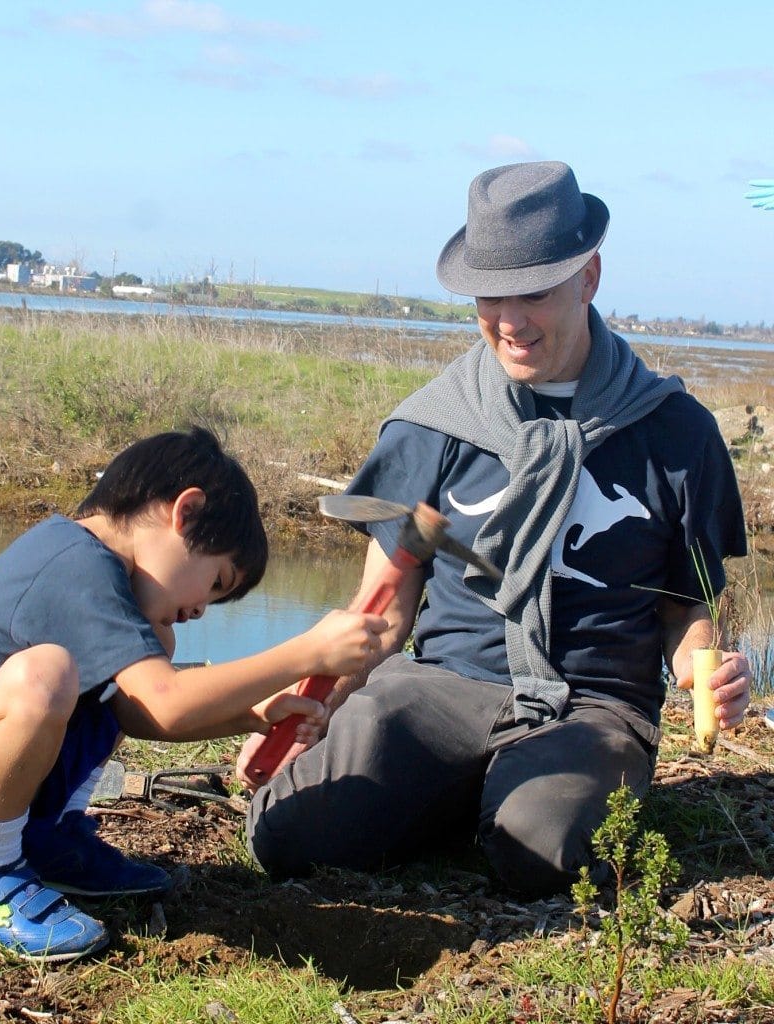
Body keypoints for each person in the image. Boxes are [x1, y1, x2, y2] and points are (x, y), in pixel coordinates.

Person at [239, 161, 753, 896]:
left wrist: (703, 668)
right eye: (491, 295)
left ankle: (500, 801)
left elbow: (685, 608)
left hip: (593, 706)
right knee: (290, 834)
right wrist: (305, 711)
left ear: (590, 276)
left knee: (539, 854)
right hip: (440, 690)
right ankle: (459, 788)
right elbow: (379, 616)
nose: (509, 321)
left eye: (535, 291)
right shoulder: (433, 425)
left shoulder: (675, 434)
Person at [0, 427, 387, 961]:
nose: (199, 611)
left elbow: (143, 713)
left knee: (149, 645)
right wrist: (307, 653)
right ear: (184, 513)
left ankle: (51, 842)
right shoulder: (74, 562)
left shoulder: (104, 575)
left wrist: (252, 714)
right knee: (44, 674)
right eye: (216, 582)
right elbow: (166, 700)